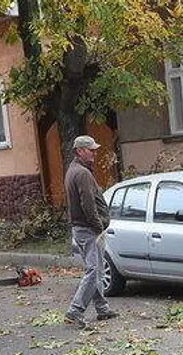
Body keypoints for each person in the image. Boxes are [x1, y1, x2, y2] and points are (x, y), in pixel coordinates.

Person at [62, 134, 117, 329]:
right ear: (79, 151)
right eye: (90, 149)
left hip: (81, 228)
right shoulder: (82, 173)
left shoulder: (73, 170)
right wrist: (98, 226)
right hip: (88, 229)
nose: (94, 152)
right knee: (93, 271)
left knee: (97, 269)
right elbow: (88, 203)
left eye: (94, 149)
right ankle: (75, 310)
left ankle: (102, 308)